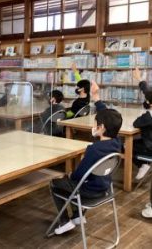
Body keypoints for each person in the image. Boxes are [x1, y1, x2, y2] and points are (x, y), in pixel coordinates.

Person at [50, 81, 123, 235]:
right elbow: (109, 118)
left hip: (88, 192)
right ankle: (78, 216)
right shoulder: (117, 143)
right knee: (78, 182)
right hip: (105, 188)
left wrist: (69, 175)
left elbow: (79, 176)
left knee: (55, 182)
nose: (94, 126)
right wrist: (96, 98)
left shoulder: (94, 149)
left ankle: (65, 221)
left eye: (96, 123)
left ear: (101, 127)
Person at [131, 68, 152, 180]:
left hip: (149, 147)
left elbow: (135, 123)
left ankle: (143, 164)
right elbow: (147, 91)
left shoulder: (148, 117)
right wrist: (139, 78)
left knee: (126, 146)